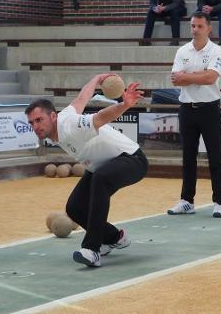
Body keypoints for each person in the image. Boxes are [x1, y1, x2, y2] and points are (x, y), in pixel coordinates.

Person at [25, 76, 148, 268]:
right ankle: (115, 237)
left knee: (100, 179)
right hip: (103, 165)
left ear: (53, 116)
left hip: (132, 159)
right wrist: (97, 79)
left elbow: (100, 117)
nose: (36, 126)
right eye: (31, 123)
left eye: (39, 120)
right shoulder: (64, 116)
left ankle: (91, 249)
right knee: (74, 208)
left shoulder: (70, 127)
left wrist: (125, 105)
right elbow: (82, 98)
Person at [168, 12, 221, 217]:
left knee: (215, 157)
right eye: (193, 26)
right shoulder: (182, 51)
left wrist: (188, 76)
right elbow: (176, 80)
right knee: (188, 157)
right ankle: (187, 200)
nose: (195, 30)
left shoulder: (216, 51)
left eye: (200, 26)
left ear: (208, 28)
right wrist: (196, 76)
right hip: (186, 109)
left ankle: (219, 202)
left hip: (209, 108)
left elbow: (211, 78)